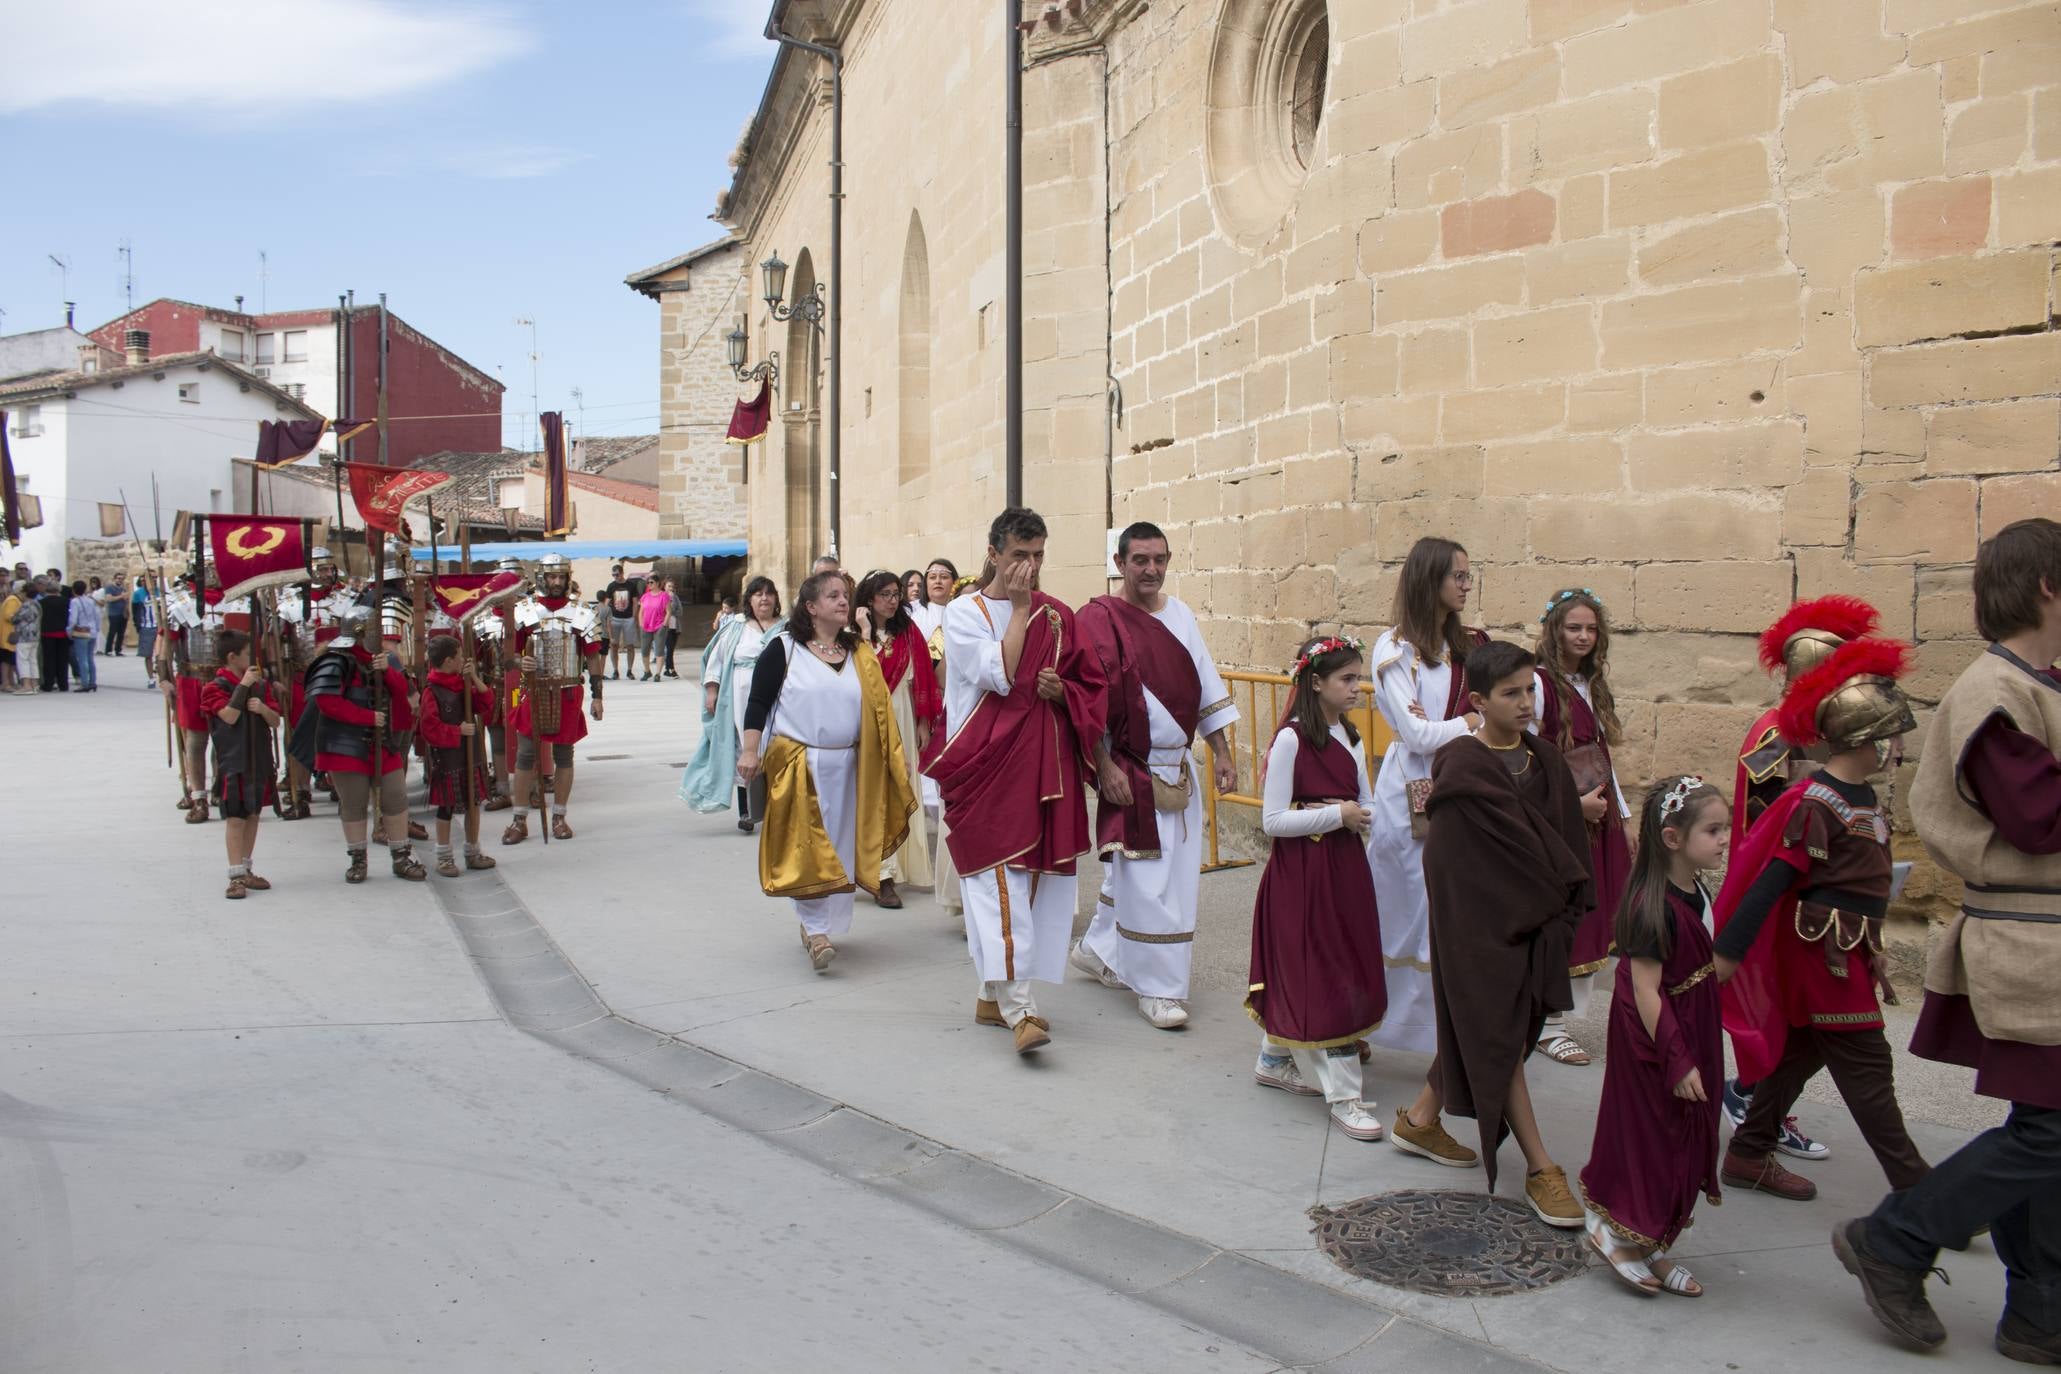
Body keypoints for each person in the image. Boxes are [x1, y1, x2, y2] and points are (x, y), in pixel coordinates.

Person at [1833, 517, 2061, 1363]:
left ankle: (2038, 1308)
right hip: (2029, 940)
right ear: (2046, 584)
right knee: (2050, 1133)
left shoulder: (2039, 684)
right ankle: (1893, 1239)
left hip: (2046, 940)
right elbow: (2038, 819)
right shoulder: (1993, 693)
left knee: (2046, 1125)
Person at [1713, 606, 1928, 1204]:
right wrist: (1728, 955)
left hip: (1844, 946)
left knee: (1802, 1052)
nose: (1899, 747)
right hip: (1818, 950)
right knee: (1868, 1072)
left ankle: (1750, 1149)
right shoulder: (1804, 777)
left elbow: (1863, 884)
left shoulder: (1858, 797)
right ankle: (1925, 1195)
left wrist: (1875, 950)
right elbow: (1768, 863)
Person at [1416, 640, 1590, 1227]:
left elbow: (1565, 845)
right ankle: (1542, 1169)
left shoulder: (1545, 761)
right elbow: (1449, 862)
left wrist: (1556, 910)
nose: (1525, 703)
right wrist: (1498, 909)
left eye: (1530, 690)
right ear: (1478, 701)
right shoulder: (1463, 767)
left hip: (1538, 927)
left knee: (1489, 1029)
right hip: (1478, 928)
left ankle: (1418, 1119)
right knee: (1500, 1037)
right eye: (1510, 693)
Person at [930, 508, 1107, 1056]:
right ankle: (1022, 1009)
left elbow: (1090, 687)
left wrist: (1063, 693)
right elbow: (1002, 676)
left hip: (1043, 767)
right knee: (994, 880)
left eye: (1037, 557)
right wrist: (1022, 609)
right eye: (1018, 558)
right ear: (993, 555)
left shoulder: (1058, 616)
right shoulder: (964, 614)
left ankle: (992, 994)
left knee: (1033, 885)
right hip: (983, 765)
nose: (1029, 569)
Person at [1721, 598, 1881, 1162]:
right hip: (1788, 895)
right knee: (1775, 1005)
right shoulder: (1775, 734)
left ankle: (1760, 1106)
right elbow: (1765, 829)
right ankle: (1751, 1098)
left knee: (1804, 1016)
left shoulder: (1822, 731)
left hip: (1822, 897)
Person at [1073, 522, 1239, 1029]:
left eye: (1159, 559)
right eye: (1140, 560)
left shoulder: (1182, 615)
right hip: (1129, 768)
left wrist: (1223, 753)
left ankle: (1101, 949)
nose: (1151, 569)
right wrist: (1104, 768)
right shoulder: (1096, 619)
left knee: (1174, 876)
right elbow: (1087, 701)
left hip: (1178, 768)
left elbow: (1205, 683)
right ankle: (1158, 989)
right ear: (1119, 564)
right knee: (1148, 878)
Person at [1579, 776, 1729, 1297]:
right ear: (1671, 837)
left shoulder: (1696, 888)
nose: (1724, 838)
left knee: (1685, 1131)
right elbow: (1645, 990)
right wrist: (1678, 1058)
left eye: (1724, 828)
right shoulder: (1650, 905)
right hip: (1656, 1033)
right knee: (1650, 1133)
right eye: (1713, 830)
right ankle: (1612, 1227)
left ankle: (1652, 1241)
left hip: (1692, 1024)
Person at [737, 572, 917, 971]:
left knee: (840, 848)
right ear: (811, 607)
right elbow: (758, 702)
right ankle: (816, 928)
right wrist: (750, 750)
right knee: (810, 849)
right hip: (801, 764)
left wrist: (893, 755)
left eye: (845, 595)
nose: (842, 601)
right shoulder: (783, 649)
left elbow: (880, 711)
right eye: (833, 595)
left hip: (852, 765)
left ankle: (821, 924)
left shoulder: (857, 651)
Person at [1246, 636, 1388, 1140]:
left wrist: (1363, 816)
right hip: (1302, 875)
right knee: (1324, 973)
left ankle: (1273, 1058)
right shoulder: (1291, 740)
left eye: (1357, 677)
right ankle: (1346, 1096)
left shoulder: (1350, 734)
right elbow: (1272, 820)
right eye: (1347, 679)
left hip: (1345, 868)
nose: (1357, 687)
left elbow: (1364, 799)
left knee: (1339, 961)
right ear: (1316, 682)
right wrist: (1336, 815)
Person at [1367, 537, 1488, 1056]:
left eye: (1467, 576)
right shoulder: (1396, 650)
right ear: (1429, 580)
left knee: (1449, 911)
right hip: (1411, 793)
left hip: (1463, 791)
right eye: (1456, 576)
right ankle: (1372, 1022)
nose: (1465, 585)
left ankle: (1441, 1034)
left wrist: (1466, 726)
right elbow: (1418, 737)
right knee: (1403, 909)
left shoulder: (1469, 647)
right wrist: (1472, 722)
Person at [1529, 588, 1632, 1067]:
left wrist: (1623, 815)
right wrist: (1574, 808)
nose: (1584, 636)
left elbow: (1601, 759)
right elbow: (1529, 761)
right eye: (1574, 628)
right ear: (1554, 630)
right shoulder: (1537, 684)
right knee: (1563, 920)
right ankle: (1548, 1025)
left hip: (1597, 818)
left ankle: (1556, 1019)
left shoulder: (1590, 683)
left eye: (1591, 628)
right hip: (1563, 820)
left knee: (1593, 919)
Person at [295, 601, 424, 882]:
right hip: (345, 745)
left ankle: (400, 857)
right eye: (375, 631)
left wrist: (387, 670)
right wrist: (367, 718)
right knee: (354, 804)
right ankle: (358, 861)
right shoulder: (335, 660)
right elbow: (327, 702)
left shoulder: (380, 658)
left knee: (396, 798)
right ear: (361, 631)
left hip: (382, 743)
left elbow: (402, 692)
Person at [853, 569, 942, 906]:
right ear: (869, 598)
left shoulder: (907, 631)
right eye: (884, 595)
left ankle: (898, 865)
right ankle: (880, 873)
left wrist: (922, 722)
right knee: (875, 791)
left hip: (902, 713)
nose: (892, 601)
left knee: (901, 787)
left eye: (895, 594)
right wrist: (863, 633)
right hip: (869, 717)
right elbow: (862, 675)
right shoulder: (854, 634)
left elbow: (923, 677)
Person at [505, 553, 605, 843]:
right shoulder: (525, 610)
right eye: (552, 577)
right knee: (525, 755)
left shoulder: (583, 612)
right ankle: (519, 819)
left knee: (564, 755)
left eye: (562, 576)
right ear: (542, 577)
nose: (557, 582)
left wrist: (598, 697)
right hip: (533, 690)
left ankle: (559, 815)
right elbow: (508, 655)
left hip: (568, 690)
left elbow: (593, 657)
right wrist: (518, 661)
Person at [684, 576, 784, 829]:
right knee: (744, 747)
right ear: (749, 600)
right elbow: (716, 660)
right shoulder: (736, 628)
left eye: (769, 593)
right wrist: (712, 691)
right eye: (758, 594)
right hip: (740, 694)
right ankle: (746, 812)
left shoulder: (787, 628)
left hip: (778, 694)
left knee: (774, 746)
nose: (764, 598)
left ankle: (776, 810)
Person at [200, 629, 282, 899]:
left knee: (254, 814)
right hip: (233, 761)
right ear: (232, 657)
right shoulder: (214, 688)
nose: (252, 659)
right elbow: (229, 716)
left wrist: (264, 709)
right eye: (248, 654)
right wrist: (243, 687)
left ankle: (246, 867)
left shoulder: (260, 685)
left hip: (258, 758)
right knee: (236, 817)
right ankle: (235, 874)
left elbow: (275, 721)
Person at [419, 634, 497, 878]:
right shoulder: (431, 691)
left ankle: (472, 852)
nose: (464, 659)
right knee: (446, 808)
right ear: (450, 660)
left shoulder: (461, 683)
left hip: (469, 754)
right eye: (460, 656)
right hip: (448, 758)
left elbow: (485, 702)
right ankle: (444, 857)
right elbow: (429, 728)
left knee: (473, 804)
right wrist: (456, 731)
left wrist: (473, 676)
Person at [602, 562, 640, 680]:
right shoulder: (611, 586)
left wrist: (634, 617)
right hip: (615, 618)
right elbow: (607, 603)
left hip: (628, 618)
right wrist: (605, 615)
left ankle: (629, 670)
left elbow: (635, 602)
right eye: (613, 575)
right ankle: (615, 670)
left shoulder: (631, 585)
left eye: (617, 574)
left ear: (622, 573)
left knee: (630, 645)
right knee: (614, 645)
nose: (615, 577)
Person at [39, 575, 72, 692]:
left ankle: (48, 684)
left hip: (47, 633)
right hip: (63, 633)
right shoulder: (66, 601)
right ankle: (63, 684)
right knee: (62, 659)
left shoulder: (41, 602)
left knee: (49, 659)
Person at [66, 579, 100, 691]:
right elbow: (97, 616)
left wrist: (69, 631)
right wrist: (97, 629)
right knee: (90, 657)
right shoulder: (91, 600)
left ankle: (84, 683)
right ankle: (93, 681)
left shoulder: (75, 602)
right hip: (92, 630)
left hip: (81, 632)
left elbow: (73, 619)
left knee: (82, 658)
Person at [636, 576, 669, 681]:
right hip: (645, 626)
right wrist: (641, 624)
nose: (649, 584)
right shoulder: (645, 597)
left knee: (659, 650)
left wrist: (664, 625)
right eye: (648, 583)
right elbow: (641, 612)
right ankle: (647, 671)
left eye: (651, 582)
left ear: (658, 583)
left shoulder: (664, 596)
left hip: (659, 626)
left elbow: (669, 611)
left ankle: (658, 674)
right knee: (644, 650)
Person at [133, 575, 159, 680]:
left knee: (161, 654)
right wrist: (138, 626)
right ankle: (151, 677)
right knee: (148, 654)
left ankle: (161, 674)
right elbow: (135, 611)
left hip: (159, 626)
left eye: (155, 578)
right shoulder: (138, 594)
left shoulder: (160, 592)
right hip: (146, 626)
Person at [661, 579, 687, 678]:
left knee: (671, 650)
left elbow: (680, 612)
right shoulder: (662, 597)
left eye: (672, 586)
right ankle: (672, 670)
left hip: (675, 627)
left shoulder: (675, 597)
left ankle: (667, 669)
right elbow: (662, 611)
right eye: (669, 586)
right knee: (669, 649)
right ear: (664, 587)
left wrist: (670, 610)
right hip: (665, 626)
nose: (671, 588)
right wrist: (670, 609)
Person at [0, 572, 19, 693]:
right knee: (6, 659)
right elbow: (8, 615)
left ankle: (10, 681)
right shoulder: (12, 600)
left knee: (10, 659)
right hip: (6, 632)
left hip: (10, 632)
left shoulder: (10, 596)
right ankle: (6, 682)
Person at [103, 573, 130, 656]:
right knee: (112, 632)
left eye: (122, 578)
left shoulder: (123, 589)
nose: (120, 580)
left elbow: (126, 600)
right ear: (114, 579)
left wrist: (127, 611)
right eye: (118, 578)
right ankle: (108, 650)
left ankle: (118, 650)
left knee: (121, 633)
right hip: (114, 613)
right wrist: (121, 596)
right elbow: (109, 599)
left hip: (123, 613)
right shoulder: (110, 588)